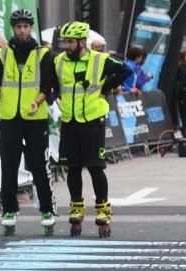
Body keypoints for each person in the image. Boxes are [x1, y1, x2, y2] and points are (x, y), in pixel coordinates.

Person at [53, 21, 130, 237]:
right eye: (64, 42)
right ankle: (76, 208)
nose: (66, 46)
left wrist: (107, 87)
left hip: (93, 121)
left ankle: (103, 210)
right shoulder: (59, 61)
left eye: (70, 42)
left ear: (81, 41)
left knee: (96, 168)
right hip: (69, 121)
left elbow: (126, 70)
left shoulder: (100, 59)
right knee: (73, 168)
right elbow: (51, 84)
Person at [0, 8, 57, 236]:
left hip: (34, 117)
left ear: (31, 28)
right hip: (9, 117)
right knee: (9, 165)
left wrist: (37, 101)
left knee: (38, 165)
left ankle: (47, 210)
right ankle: (9, 210)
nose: (22, 30)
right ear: (13, 29)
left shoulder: (43, 55)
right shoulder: (2, 55)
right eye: (18, 27)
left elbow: (48, 86)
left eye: (26, 26)